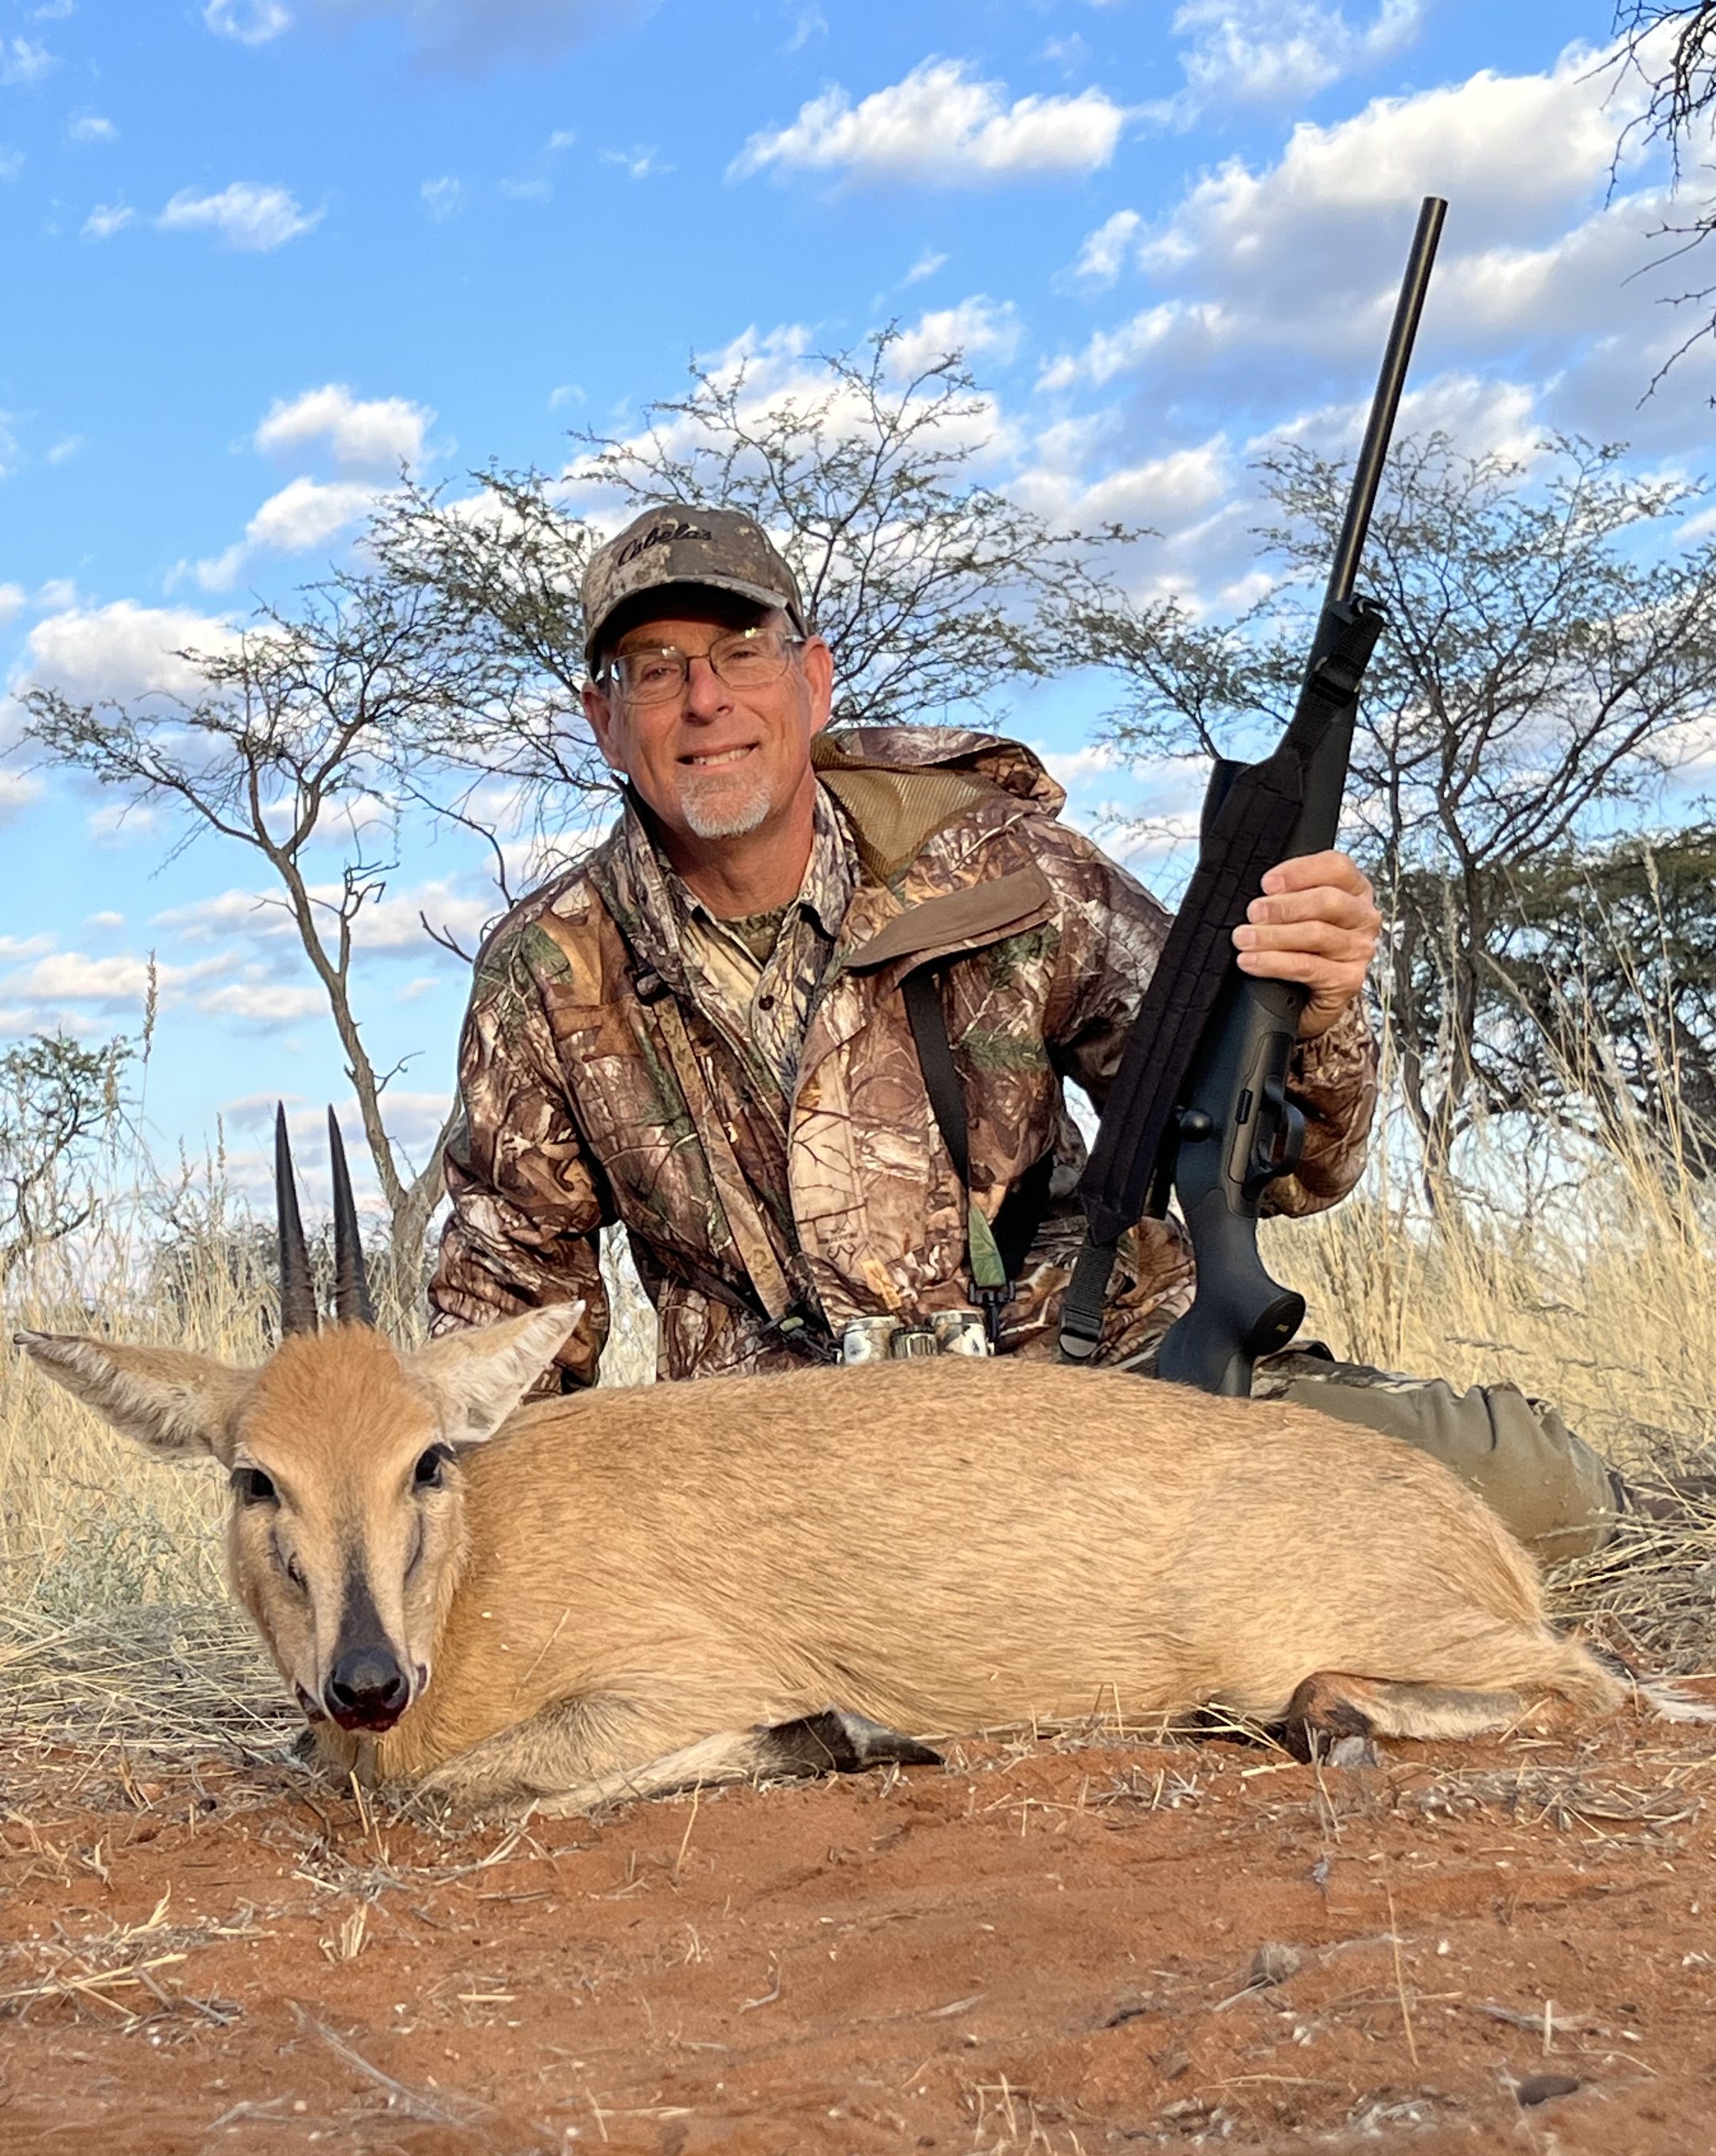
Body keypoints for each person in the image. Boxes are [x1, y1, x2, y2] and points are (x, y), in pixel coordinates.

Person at [426, 500, 1620, 1560]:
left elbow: (1285, 1153)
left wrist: (1313, 1008)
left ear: (814, 679)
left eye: (743, 651)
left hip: (1102, 1400)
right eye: (653, 667)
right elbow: (506, 1333)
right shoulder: (546, 970)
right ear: (602, 717)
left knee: (1530, 1492)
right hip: (787, 1496)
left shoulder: (1005, 867)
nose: (705, 700)